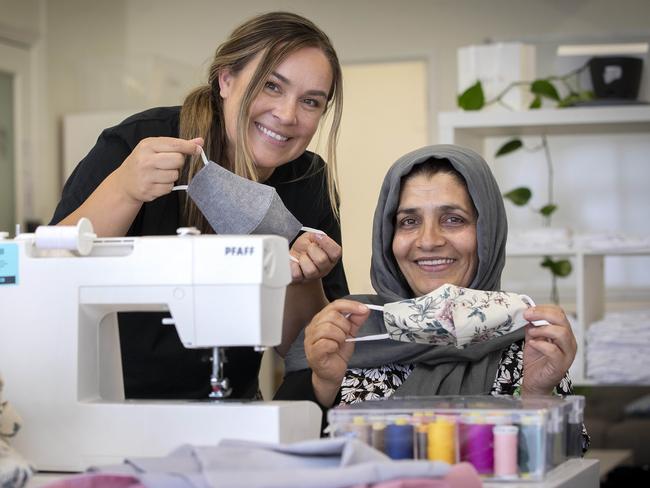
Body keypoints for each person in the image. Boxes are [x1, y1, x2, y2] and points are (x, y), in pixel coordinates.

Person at [50, 11, 349, 400]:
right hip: (110, 400)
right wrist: (123, 191)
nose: (288, 115)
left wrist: (304, 279)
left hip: (232, 402)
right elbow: (48, 275)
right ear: (226, 80)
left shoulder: (307, 182)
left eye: (310, 101)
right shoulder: (138, 143)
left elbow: (307, 349)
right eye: (272, 86)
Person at [275, 145, 588, 449]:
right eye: (409, 222)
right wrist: (323, 385)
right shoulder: (347, 332)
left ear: (487, 233)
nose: (428, 241)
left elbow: (566, 469)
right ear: (388, 237)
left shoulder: (529, 344)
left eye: (453, 219)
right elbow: (275, 459)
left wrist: (535, 396)